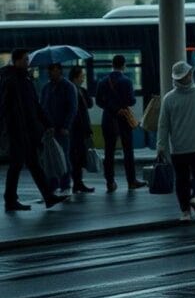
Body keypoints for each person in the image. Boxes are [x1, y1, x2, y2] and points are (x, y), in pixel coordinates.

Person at [2, 49, 69, 211]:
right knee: (18, 164)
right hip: (17, 130)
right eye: (25, 59)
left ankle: (47, 196)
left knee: (32, 164)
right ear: (17, 61)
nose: (28, 62)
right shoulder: (9, 80)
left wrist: (47, 123)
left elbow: (35, 105)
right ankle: (11, 200)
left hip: (28, 130)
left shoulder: (25, 79)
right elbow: (6, 107)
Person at [156, 61, 195, 222]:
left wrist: (161, 146)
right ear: (189, 75)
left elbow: (163, 125)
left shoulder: (168, 98)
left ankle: (185, 213)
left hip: (179, 147)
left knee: (181, 180)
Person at [96, 54, 146, 193]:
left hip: (108, 119)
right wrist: (120, 107)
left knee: (109, 152)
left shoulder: (103, 81)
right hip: (123, 119)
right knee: (128, 151)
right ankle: (131, 181)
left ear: (112, 65)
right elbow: (131, 101)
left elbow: (99, 101)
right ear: (124, 65)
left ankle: (110, 182)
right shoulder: (126, 81)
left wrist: (112, 108)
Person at [40, 62, 78, 196]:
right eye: (49, 70)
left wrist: (66, 126)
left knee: (63, 156)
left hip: (62, 128)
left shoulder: (68, 86)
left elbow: (72, 108)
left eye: (52, 70)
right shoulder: (46, 88)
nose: (49, 73)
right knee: (50, 158)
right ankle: (53, 183)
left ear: (59, 71)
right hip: (49, 129)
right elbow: (42, 107)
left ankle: (65, 183)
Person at [68, 65, 95, 193]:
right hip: (74, 129)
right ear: (75, 77)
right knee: (76, 157)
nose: (83, 79)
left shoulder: (81, 90)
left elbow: (90, 104)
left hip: (82, 128)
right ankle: (76, 183)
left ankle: (78, 183)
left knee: (80, 156)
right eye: (81, 76)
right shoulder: (69, 89)